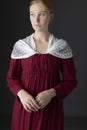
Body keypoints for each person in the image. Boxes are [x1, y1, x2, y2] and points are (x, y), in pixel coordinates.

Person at [7, 0, 77, 130]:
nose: (36, 20)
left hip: (50, 111)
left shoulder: (61, 47)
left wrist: (51, 93)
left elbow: (70, 80)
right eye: (32, 14)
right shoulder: (21, 46)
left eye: (42, 14)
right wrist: (22, 94)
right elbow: (11, 78)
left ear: (51, 15)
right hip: (24, 109)